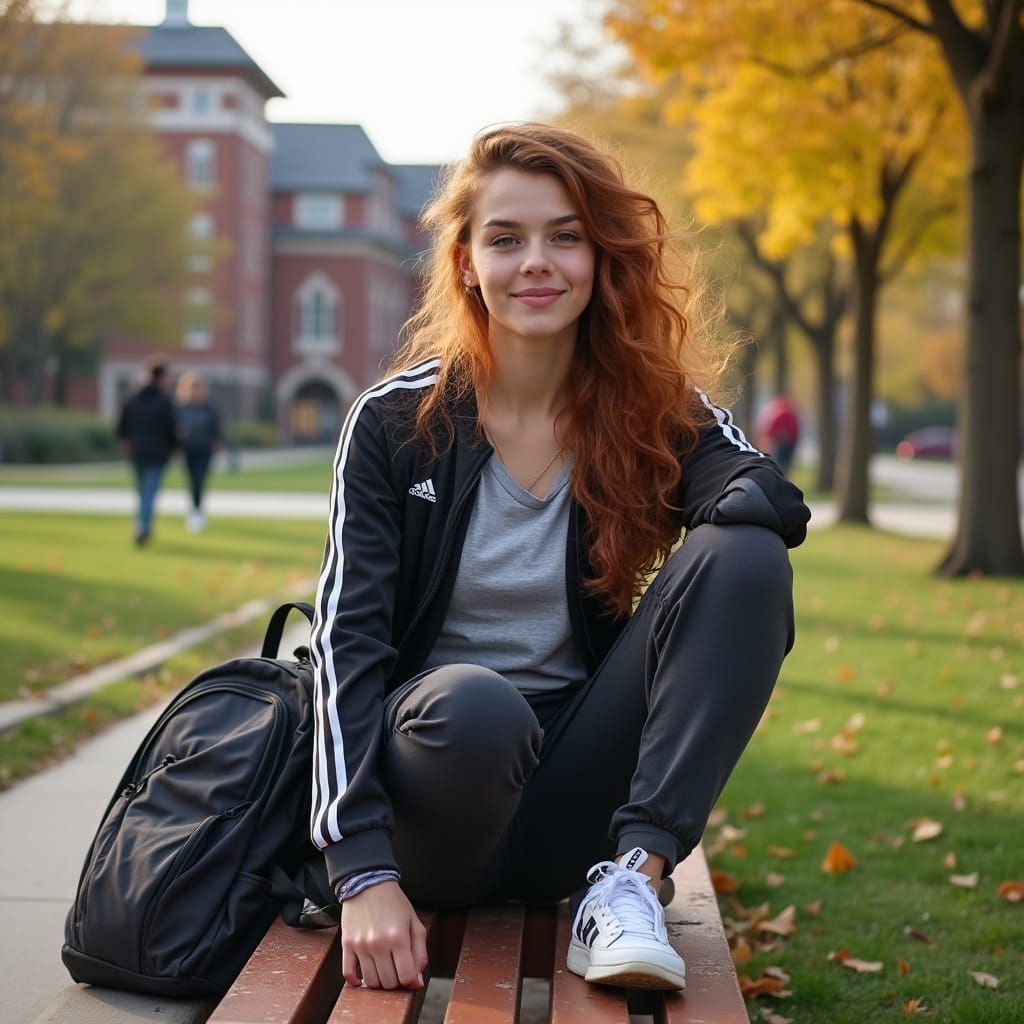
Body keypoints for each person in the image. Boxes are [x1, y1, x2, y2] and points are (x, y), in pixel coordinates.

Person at [308, 124, 810, 995]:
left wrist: (691, 477)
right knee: (478, 708)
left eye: (564, 236)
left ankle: (632, 881)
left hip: (578, 783)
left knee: (746, 559)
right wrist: (361, 870)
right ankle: (422, 860)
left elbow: (770, 500)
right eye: (506, 239)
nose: (535, 261)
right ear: (466, 262)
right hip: (442, 789)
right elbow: (344, 646)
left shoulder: (649, 410)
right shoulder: (394, 424)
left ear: (599, 257)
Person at [117, 357, 177, 546]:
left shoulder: (133, 398)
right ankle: (143, 526)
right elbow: (171, 428)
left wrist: (126, 441)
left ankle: (143, 524)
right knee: (149, 492)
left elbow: (122, 424)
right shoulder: (164, 401)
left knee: (143, 492)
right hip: (157, 453)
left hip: (138, 451)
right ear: (161, 377)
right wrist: (175, 447)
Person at [174, 372, 222, 532]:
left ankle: (197, 511)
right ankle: (194, 510)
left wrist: (216, 442)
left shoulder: (209, 407)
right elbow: (174, 428)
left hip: (204, 448)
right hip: (188, 449)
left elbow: (216, 428)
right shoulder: (181, 407)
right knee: (191, 480)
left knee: (199, 479)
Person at [756, 392, 801, 475]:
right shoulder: (791, 413)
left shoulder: (779, 413)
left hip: (781, 442)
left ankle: (779, 476)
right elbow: (796, 429)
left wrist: (768, 438)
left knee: (779, 461)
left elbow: (772, 428)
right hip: (789, 442)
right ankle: (783, 476)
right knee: (785, 462)